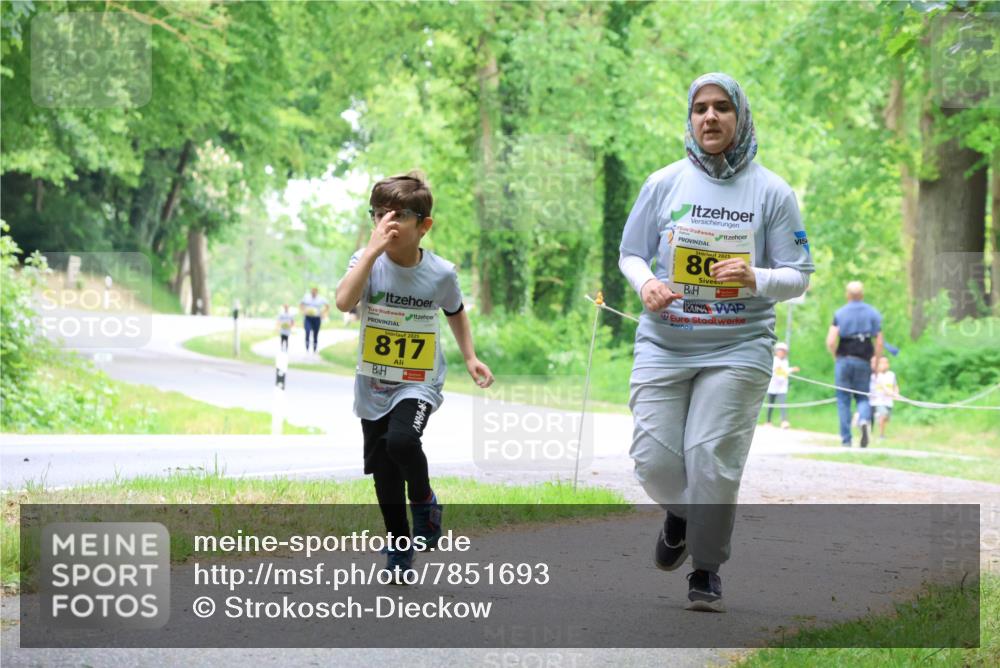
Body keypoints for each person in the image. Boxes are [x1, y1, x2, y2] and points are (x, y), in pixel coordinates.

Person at [618, 73, 813, 612]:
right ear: (690, 117)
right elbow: (630, 254)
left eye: (722, 108)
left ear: (740, 116)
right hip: (665, 341)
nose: (710, 117)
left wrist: (756, 277)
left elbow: (800, 273)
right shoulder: (663, 183)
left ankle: (706, 568)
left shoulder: (772, 191)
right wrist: (647, 283)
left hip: (739, 345)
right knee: (654, 462)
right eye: (700, 108)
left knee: (711, 458)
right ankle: (680, 513)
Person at [334, 171, 494, 582]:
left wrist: (471, 357)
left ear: (423, 226)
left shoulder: (440, 273)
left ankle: (424, 499)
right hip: (372, 384)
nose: (386, 222)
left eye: (398, 214)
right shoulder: (366, 263)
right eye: (378, 214)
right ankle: (400, 549)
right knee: (384, 473)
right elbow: (343, 302)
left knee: (403, 441)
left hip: (418, 381)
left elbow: (455, 312)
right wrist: (369, 254)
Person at [826, 280, 883, 448]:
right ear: (862, 295)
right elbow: (879, 342)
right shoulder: (873, 313)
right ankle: (864, 420)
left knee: (843, 399)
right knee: (862, 396)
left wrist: (836, 355)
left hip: (844, 358)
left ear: (848, 295)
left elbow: (830, 341)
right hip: (864, 359)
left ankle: (846, 440)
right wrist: (876, 361)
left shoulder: (840, 313)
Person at [765, 342, 800, 428]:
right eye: (780, 351)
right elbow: (778, 370)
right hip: (772, 387)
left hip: (782, 387)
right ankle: (768, 422)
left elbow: (784, 371)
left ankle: (784, 421)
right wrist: (791, 370)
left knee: (783, 404)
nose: (781, 353)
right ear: (776, 351)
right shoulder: (774, 360)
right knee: (770, 404)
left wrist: (790, 370)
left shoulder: (785, 361)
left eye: (783, 351)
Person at [869, 356, 899, 440]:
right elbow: (883, 387)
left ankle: (877, 418)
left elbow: (895, 386)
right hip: (878, 401)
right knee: (883, 415)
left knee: (887, 418)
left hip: (889, 402)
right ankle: (881, 435)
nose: (885, 365)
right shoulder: (875, 376)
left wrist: (896, 393)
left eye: (886, 362)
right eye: (882, 363)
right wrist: (890, 393)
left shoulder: (891, 374)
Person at [299, 286, 329, 354]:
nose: (313, 293)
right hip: (308, 317)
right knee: (307, 331)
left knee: (315, 333)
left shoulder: (321, 298)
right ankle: (307, 346)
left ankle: (315, 348)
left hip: (316, 318)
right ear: (311, 292)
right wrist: (303, 311)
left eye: (314, 292)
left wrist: (323, 313)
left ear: (317, 292)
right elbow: (301, 304)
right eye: (312, 292)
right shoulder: (306, 297)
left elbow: (327, 305)